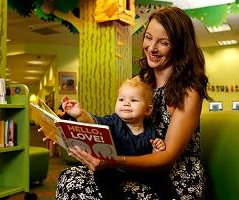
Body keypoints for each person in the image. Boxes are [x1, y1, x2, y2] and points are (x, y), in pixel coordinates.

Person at [56, 6, 211, 200]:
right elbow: (117, 123)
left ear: (178, 46)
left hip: (173, 180)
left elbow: (167, 158)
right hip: (138, 170)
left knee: (78, 187)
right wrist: (68, 126)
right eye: (148, 37)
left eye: (163, 42)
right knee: (69, 177)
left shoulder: (189, 90)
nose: (152, 47)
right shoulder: (143, 80)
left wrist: (113, 161)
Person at [61, 78, 174, 199]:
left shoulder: (150, 128)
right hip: (115, 170)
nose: (126, 103)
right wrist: (80, 114)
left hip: (141, 171)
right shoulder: (114, 121)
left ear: (147, 110)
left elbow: (154, 152)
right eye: (121, 99)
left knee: (162, 177)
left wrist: (157, 148)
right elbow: (94, 122)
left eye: (134, 100)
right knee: (102, 175)